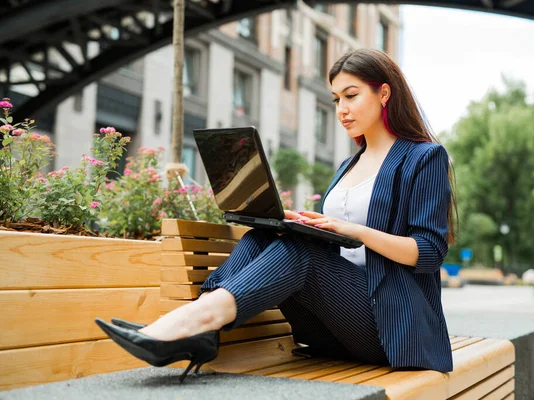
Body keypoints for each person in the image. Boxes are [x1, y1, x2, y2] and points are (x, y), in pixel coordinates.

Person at [96, 48, 458, 383]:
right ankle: (200, 325)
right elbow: (338, 255)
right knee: (267, 233)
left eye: (351, 95)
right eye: (336, 100)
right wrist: (301, 223)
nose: (341, 109)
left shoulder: (423, 158)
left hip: (392, 328)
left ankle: (193, 323)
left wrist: (353, 230)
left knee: (300, 253)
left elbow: (428, 252)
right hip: (333, 326)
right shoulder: (348, 166)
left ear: (384, 93)